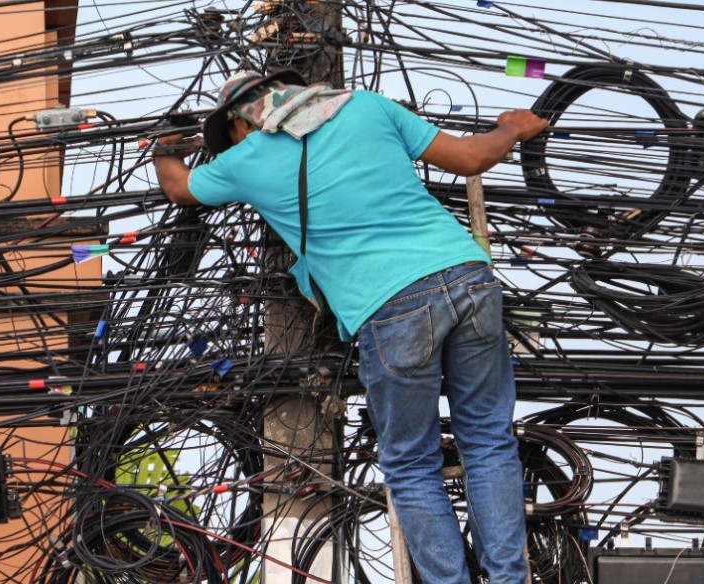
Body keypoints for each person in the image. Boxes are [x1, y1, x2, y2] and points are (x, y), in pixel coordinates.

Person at [153, 70, 548, 584]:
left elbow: (178, 187)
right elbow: (473, 158)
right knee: (489, 440)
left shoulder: (245, 159)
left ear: (240, 124)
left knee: (411, 465)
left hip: (391, 304)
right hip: (468, 276)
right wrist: (511, 128)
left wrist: (163, 145)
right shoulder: (366, 106)